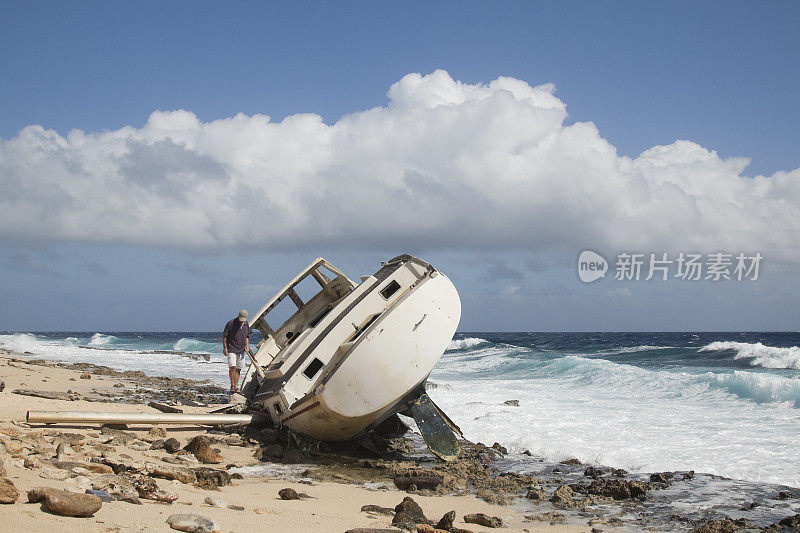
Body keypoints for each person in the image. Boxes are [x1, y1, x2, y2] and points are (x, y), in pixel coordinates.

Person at [223, 309, 251, 394]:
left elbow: (247, 336)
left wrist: (247, 346)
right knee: (232, 367)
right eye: (241, 319)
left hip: (241, 349)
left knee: (239, 369)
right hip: (231, 348)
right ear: (238, 316)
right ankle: (232, 386)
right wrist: (225, 348)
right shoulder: (231, 323)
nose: (242, 321)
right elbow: (224, 336)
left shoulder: (246, 324)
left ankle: (236, 386)